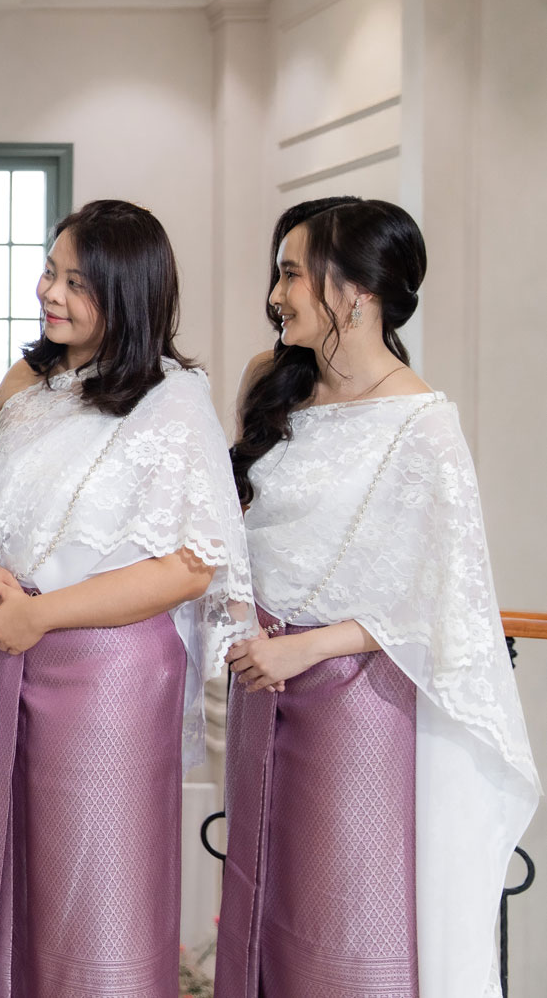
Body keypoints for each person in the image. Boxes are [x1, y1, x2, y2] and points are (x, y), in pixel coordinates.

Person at [217, 197, 539, 996]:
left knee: (342, 917)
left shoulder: (422, 425)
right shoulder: (271, 383)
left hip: (356, 702)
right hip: (260, 683)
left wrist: (306, 646)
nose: (275, 295)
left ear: (355, 290)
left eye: (291, 274)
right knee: (258, 905)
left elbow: (446, 596)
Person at [0, 199, 251, 997]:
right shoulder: (24, 385)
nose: (48, 292)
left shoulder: (172, 399)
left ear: (125, 294)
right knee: (8, 886)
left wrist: (40, 612)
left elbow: (191, 564)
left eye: (75, 282)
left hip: (110, 675)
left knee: (96, 898)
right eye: (48, 271)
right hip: (7, 656)